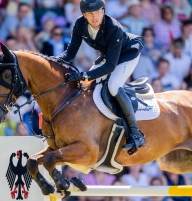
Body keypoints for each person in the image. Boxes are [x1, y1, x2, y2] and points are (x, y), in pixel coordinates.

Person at [55, 0, 145, 151]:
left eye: (97, 12)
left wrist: (83, 75)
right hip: (110, 54)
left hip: (128, 52)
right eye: (90, 14)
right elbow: (70, 53)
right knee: (88, 85)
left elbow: (110, 66)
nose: (94, 17)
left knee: (113, 85)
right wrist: (52, 61)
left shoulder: (113, 27)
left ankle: (136, 134)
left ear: (103, 11)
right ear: (84, 15)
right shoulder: (79, 24)